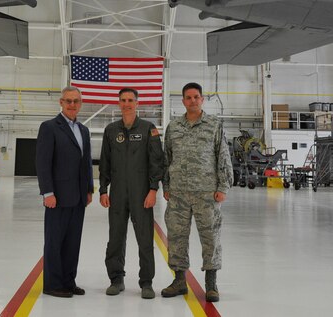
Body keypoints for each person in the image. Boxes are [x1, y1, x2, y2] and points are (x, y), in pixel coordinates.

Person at [161, 82, 233, 302]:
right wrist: (166, 186)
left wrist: (223, 186)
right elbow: (166, 158)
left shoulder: (214, 125)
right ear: (183, 101)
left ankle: (211, 284)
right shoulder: (173, 127)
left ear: (202, 99)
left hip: (206, 193)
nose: (192, 100)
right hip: (179, 194)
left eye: (196, 97)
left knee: (210, 237)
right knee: (176, 236)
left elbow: (223, 156)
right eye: (188, 97)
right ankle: (179, 281)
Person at [99, 88, 164, 299]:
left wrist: (153, 190)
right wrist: (102, 190)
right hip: (117, 193)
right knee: (115, 238)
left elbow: (157, 162)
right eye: (123, 100)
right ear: (119, 103)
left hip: (142, 194)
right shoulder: (111, 130)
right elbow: (105, 164)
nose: (126, 103)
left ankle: (146, 282)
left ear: (137, 103)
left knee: (145, 239)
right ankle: (116, 279)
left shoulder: (148, 129)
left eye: (130, 100)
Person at [36, 86, 94, 298]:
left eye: (75, 101)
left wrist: (88, 189)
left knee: (72, 242)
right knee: (54, 242)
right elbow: (43, 163)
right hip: (57, 197)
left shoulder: (83, 130)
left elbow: (86, 163)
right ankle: (52, 284)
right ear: (61, 102)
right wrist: (47, 192)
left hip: (78, 197)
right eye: (68, 101)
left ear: (80, 103)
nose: (72, 105)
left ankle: (68, 282)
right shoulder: (49, 127)